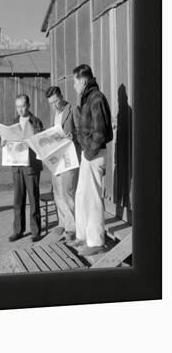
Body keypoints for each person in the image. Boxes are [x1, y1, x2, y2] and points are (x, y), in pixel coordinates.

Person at [69, 64, 113, 256]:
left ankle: (96, 242)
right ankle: (83, 236)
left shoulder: (96, 99)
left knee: (93, 197)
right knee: (81, 196)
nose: (73, 86)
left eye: (75, 81)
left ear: (84, 81)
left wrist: (89, 152)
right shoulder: (87, 98)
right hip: (88, 154)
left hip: (94, 155)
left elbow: (101, 132)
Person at [45, 86, 80, 241]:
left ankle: (73, 227)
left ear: (61, 96)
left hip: (69, 158)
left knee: (68, 192)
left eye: (56, 102)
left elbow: (83, 131)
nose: (55, 106)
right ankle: (62, 223)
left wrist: (74, 135)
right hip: (56, 159)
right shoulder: (55, 114)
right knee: (58, 192)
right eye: (51, 103)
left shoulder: (73, 109)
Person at [7, 94, 44, 242]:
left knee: (33, 198)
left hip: (31, 165)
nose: (20, 110)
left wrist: (31, 141)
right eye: (17, 107)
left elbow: (41, 142)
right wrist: (5, 142)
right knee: (18, 199)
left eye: (22, 106)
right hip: (17, 166)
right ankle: (18, 230)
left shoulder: (36, 122)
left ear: (28, 105)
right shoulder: (14, 122)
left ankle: (35, 231)